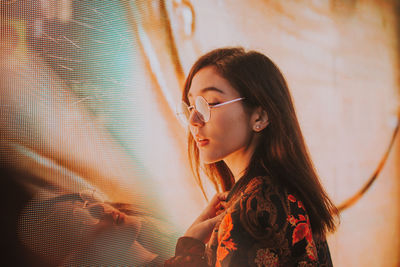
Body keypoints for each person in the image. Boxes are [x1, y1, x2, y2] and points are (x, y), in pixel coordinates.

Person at [165, 47, 338, 266]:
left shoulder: (253, 208)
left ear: (260, 116)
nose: (194, 120)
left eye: (209, 104)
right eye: (191, 106)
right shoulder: (278, 191)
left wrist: (188, 248)